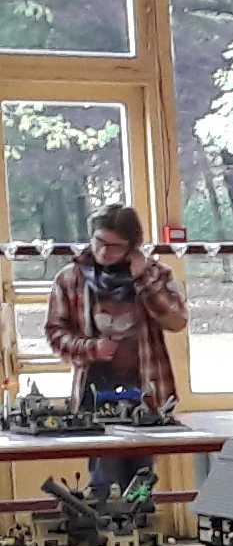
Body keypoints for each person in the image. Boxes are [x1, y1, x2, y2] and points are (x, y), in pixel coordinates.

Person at [43, 204, 185, 495]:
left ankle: (140, 521)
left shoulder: (157, 274)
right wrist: (92, 348)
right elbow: (55, 334)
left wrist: (143, 280)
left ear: (132, 247)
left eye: (115, 246)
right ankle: (105, 521)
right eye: (99, 242)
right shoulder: (70, 279)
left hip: (146, 393)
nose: (105, 252)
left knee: (141, 482)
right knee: (104, 480)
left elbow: (176, 320)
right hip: (95, 396)